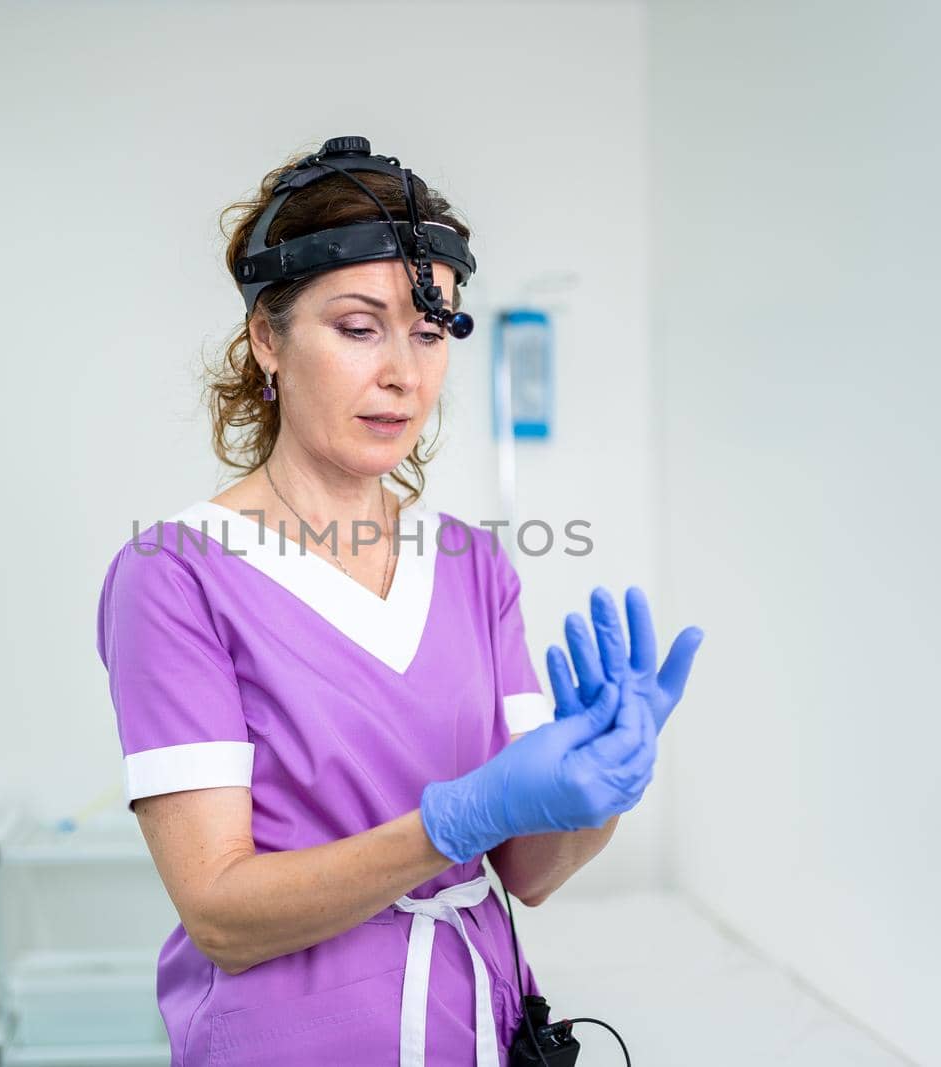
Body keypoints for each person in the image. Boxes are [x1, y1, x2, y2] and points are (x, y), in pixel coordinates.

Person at [96, 139, 704, 1067]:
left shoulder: (471, 565)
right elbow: (220, 913)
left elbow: (529, 872)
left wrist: (602, 787)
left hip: (479, 1036)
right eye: (357, 327)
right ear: (267, 335)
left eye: (430, 333)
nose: (404, 375)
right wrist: (447, 821)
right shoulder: (177, 575)